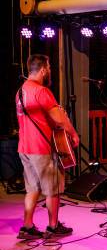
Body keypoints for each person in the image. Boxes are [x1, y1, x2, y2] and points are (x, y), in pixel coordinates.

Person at [15, 54, 78, 239]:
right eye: (49, 68)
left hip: (24, 148)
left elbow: (36, 119)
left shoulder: (20, 92)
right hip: (41, 148)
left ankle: (27, 227)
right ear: (42, 70)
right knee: (53, 189)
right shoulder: (41, 91)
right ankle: (52, 227)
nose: (49, 71)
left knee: (32, 188)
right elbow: (59, 120)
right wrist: (73, 134)